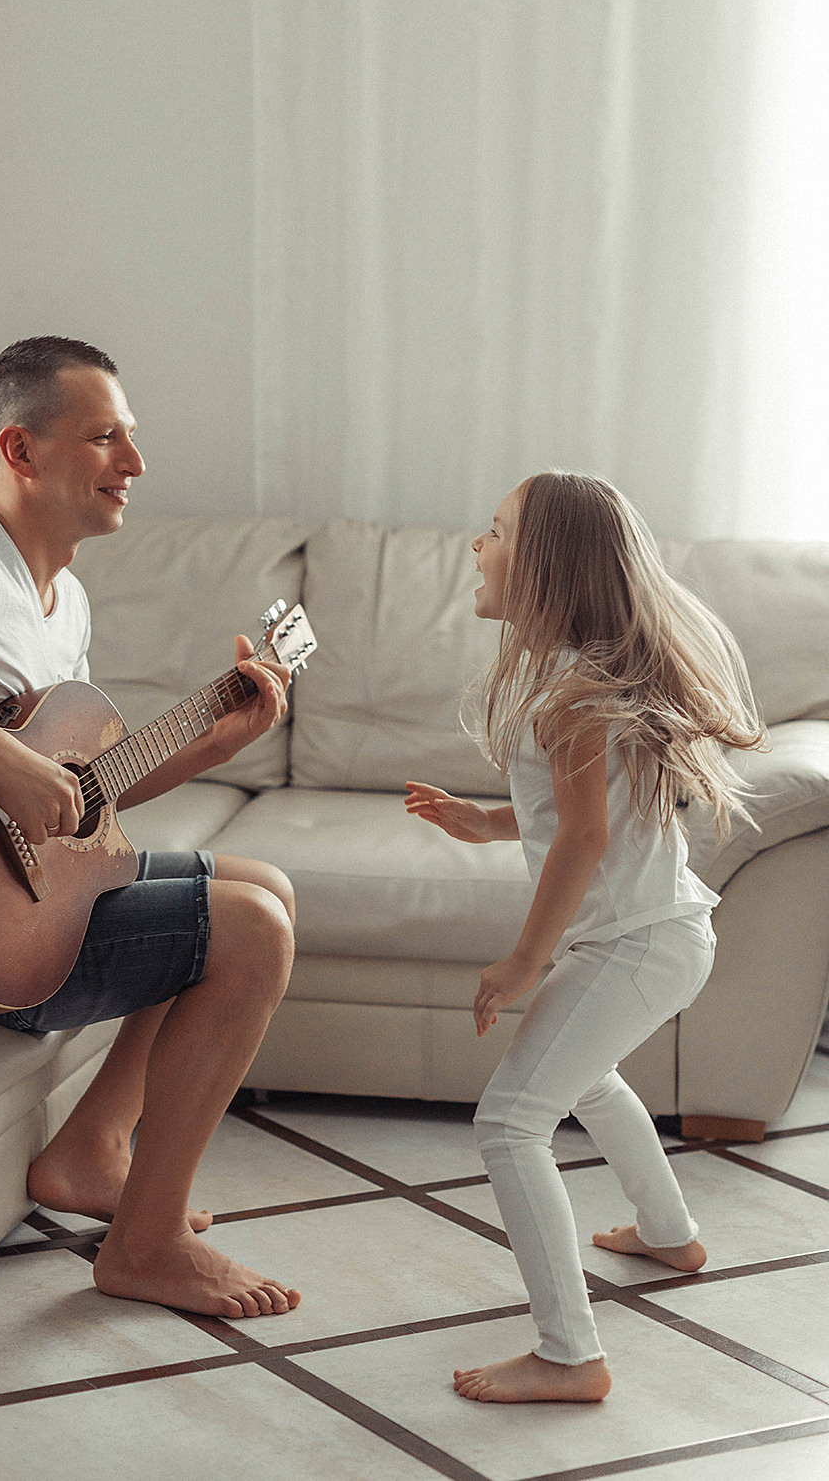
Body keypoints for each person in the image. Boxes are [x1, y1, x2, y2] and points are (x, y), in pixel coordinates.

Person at [0, 336, 302, 1321]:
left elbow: (79, 798)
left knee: (266, 886)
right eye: (105, 438)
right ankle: (146, 1244)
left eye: (130, 439)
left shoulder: (62, 598)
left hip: (7, 907)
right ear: (22, 450)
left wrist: (215, 745)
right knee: (251, 931)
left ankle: (93, 1151)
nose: (133, 463)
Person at [405, 472, 766, 1402]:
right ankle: (667, 1231)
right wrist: (478, 822)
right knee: (587, 1079)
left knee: (510, 1121)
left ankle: (571, 1354)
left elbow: (585, 835)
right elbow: (563, 817)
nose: (474, 547)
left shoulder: (572, 696)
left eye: (493, 532)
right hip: (659, 937)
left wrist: (524, 961)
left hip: (638, 945)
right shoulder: (577, 685)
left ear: (545, 568)